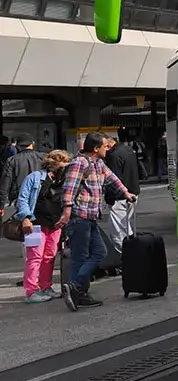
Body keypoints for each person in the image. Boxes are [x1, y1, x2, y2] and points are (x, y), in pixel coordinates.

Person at [59, 132, 133, 310]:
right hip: (79, 217)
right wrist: (67, 211)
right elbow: (69, 189)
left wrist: (126, 193)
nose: (108, 149)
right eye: (105, 146)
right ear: (95, 148)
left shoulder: (99, 163)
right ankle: (78, 291)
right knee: (80, 256)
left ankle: (76, 288)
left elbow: (113, 179)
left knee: (99, 253)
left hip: (91, 217)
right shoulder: (80, 163)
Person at [12, 150, 73, 303]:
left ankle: (46, 286)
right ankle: (31, 290)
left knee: (50, 256)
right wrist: (25, 218)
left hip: (55, 224)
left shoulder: (64, 180)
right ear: (53, 164)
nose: (65, 168)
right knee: (35, 257)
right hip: (36, 224)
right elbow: (23, 198)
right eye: (62, 164)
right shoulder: (35, 177)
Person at [103, 134, 141, 245]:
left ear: (108, 144)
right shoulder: (128, 150)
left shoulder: (113, 155)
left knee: (118, 233)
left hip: (120, 197)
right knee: (126, 226)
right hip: (133, 191)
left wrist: (109, 198)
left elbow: (113, 179)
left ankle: (126, 256)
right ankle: (131, 252)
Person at [1, 133, 42, 214]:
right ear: (33, 143)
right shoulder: (44, 157)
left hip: (19, 199)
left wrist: (1, 205)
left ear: (17, 145)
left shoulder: (12, 160)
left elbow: (5, 184)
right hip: (41, 198)